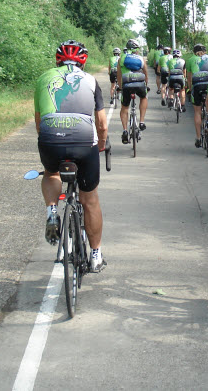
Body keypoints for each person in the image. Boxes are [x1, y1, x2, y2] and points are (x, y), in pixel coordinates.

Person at [34, 40, 109, 272]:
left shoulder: (44, 78)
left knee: (51, 172)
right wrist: (101, 146)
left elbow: (39, 121)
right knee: (90, 200)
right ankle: (95, 256)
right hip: (83, 142)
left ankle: (52, 212)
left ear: (57, 60)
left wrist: (52, 140)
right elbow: (102, 124)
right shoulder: (91, 81)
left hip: (51, 138)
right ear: (83, 62)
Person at [118, 38, 149, 144]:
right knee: (144, 97)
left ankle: (125, 130)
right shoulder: (141, 58)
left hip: (126, 83)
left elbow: (119, 74)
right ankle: (141, 121)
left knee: (124, 107)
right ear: (136, 49)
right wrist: (146, 85)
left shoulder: (122, 58)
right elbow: (145, 73)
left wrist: (120, 86)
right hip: (139, 82)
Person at [186, 43, 208, 147]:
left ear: (194, 52)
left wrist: (190, 89)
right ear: (205, 51)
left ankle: (198, 137)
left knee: (197, 112)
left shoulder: (190, 60)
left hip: (197, 85)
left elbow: (189, 77)